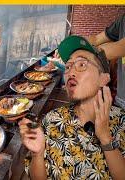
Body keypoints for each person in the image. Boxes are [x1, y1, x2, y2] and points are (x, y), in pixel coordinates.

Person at [19, 35, 125, 179]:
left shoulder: (121, 122)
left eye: (82, 64)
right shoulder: (52, 121)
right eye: (68, 66)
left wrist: (106, 138)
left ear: (103, 78)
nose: (71, 72)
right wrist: (37, 154)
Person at [87, 14, 125, 110]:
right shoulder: (123, 19)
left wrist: (79, 52)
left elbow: (121, 47)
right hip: (121, 98)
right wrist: (72, 43)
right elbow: (96, 39)